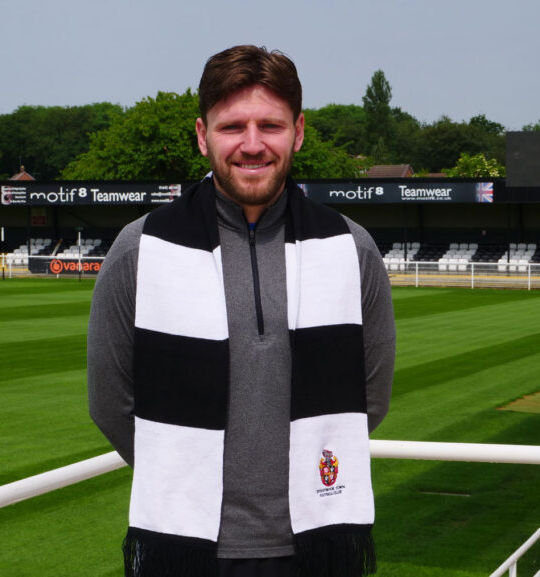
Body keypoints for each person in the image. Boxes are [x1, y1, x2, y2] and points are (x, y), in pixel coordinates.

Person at [87, 45, 395, 577]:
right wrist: (184, 472)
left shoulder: (352, 247)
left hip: (317, 544)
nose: (252, 145)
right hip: (185, 549)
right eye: (232, 127)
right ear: (203, 135)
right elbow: (109, 400)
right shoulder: (141, 247)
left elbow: (372, 394)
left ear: (298, 132)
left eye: (270, 126)